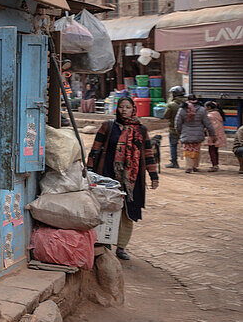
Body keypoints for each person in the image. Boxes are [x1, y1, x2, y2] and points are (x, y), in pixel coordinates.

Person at [87, 96, 159, 261]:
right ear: (117, 109)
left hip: (132, 180)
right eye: (121, 107)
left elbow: (148, 155)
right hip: (107, 175)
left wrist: (153, 176)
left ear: (133, 109)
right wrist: (89, 170)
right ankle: (104, 243)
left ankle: (121, 247)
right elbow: (95, 150)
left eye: (128, 107)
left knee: (128, 212)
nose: (124, 110)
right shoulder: (108, 127)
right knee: (106, 209)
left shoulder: (141, 130)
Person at [174, 95, 214, 173]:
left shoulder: (182, 109)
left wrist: (178, 132)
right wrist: (212, 134)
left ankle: (189, 167)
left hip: (186, 133)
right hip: (198, 134)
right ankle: (195, 166)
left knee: (188, 150)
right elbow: (208, 123)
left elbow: (177, 123)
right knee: (196, 150)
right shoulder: (202, 109)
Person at [162, 86, 186, 168]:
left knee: (173, 145)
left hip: (174, 129)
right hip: (187, 129)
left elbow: (166, 116)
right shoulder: (189, 103)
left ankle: (174, 162)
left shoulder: (172, 105)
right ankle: (192, 164)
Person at [204, 101, 228, 172]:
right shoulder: (218, 114)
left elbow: (210, 127)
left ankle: (214, 165)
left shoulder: (210, 116)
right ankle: (216, 164)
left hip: (213, 135)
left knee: (211, 150)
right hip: (219, 134)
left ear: (209, 107)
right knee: (215, 150)